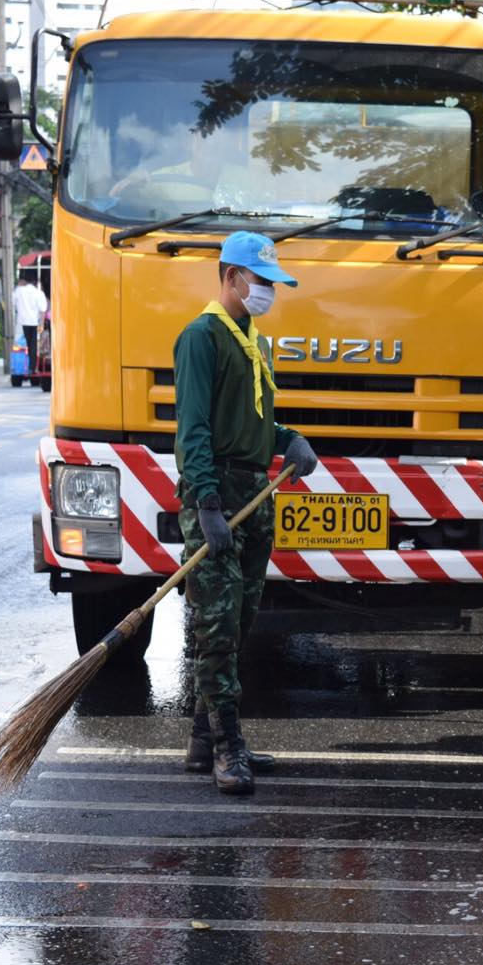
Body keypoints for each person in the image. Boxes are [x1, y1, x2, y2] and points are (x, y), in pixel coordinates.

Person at [174, 231, 319, 795]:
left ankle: (203, 739)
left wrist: (288, 440)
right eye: (261, 281)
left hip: (256, 494)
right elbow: (195, 430)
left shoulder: (254, 341)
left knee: (237, 623)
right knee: (215, 626)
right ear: (230, 276)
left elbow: (251, 422)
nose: (268, 292)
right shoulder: (201, 338)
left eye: (273, 284)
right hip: (218, 494)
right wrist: (207, 503)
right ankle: (228, 747)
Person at [14, 270, 48, 375]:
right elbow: (43, 310)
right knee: (33, 347)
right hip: (34, 323)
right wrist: (41, 324)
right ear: (34, 281)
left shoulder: (18, 291)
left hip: (21, 322)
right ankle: (32, 368)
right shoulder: (38, 293)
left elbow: (12, 303)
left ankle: (20, 368)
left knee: (20, 346)